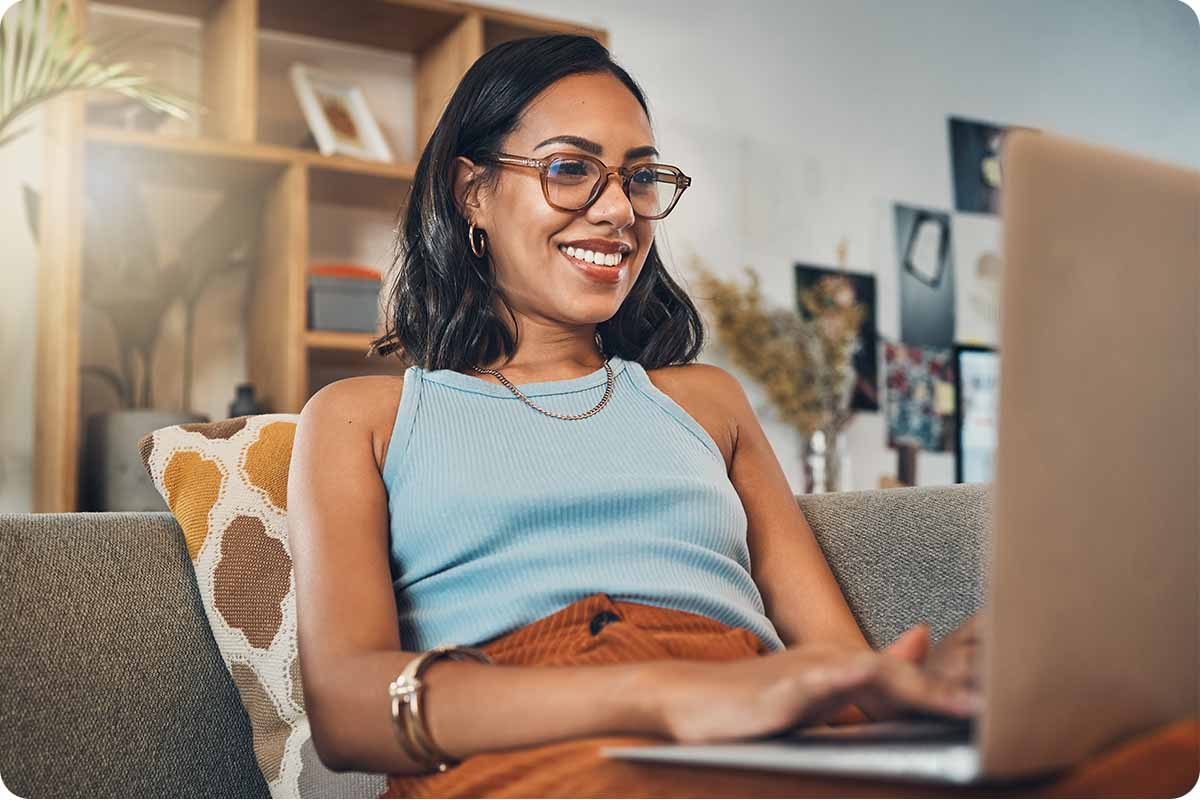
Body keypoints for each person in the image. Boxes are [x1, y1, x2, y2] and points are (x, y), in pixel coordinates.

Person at [287, 34, 984, 798]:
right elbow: (350, 711)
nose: (619, 210)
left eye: (639, 177)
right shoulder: (363, 419)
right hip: (524, 749)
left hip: (754, 734)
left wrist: (930, 694)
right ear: (472, 192)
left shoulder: (704, 400)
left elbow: (843, 680)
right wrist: (662, 693)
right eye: (571, 169)